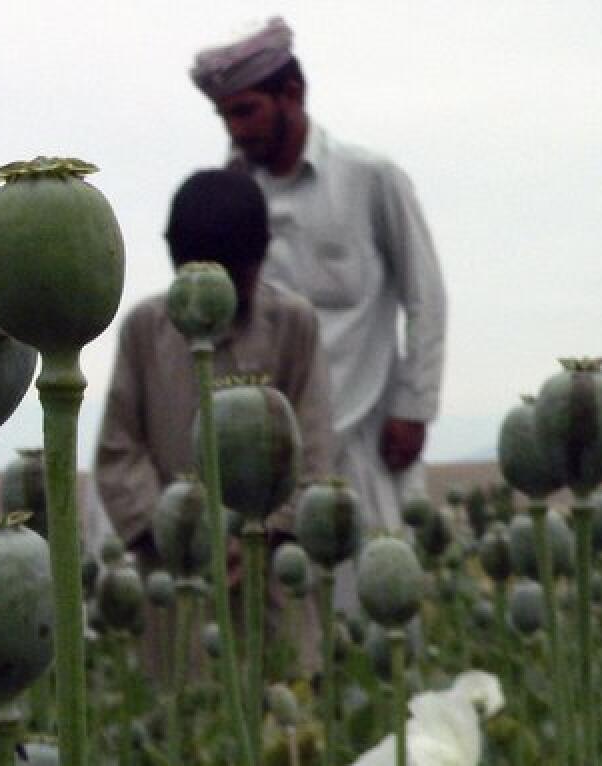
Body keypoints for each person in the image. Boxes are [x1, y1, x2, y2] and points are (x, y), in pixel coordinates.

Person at [190, 18, 447, 611]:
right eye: (225, 117)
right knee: (276, 635)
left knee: (375, 618)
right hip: (266, 460)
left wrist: (414, 407)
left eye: (246, 111)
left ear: (292, 95)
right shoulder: (233, 198)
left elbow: (425, 296)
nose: (235, 130)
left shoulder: (370, 179)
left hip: (364, 442)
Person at [90, 169, 332, 678]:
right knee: (190, 726)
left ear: (261, 256)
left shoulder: (295, 325)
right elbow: (118, 453)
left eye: (231, 276)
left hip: (272, 582)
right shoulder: (144, 331)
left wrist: (256, 534)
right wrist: (181, 531)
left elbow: (312, 453)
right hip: (176, 581)